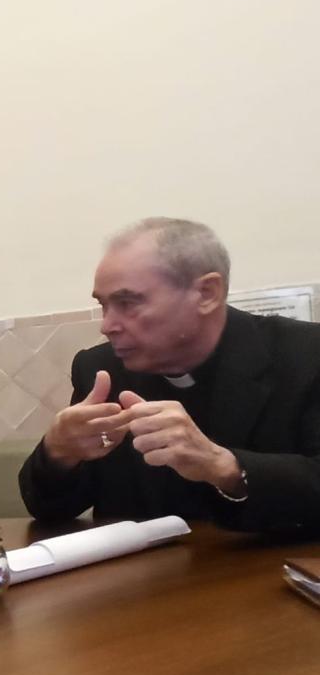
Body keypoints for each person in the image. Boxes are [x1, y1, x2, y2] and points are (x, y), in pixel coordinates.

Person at [18, 217, 320, 531]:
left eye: (127, 302)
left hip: (265, 570)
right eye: (104, 305)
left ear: (206, 293)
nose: (107, 326)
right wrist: (58, 453)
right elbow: (51, 510)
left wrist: (223, 466)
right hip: (141, 575)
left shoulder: (306, 355)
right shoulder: (98, 370)